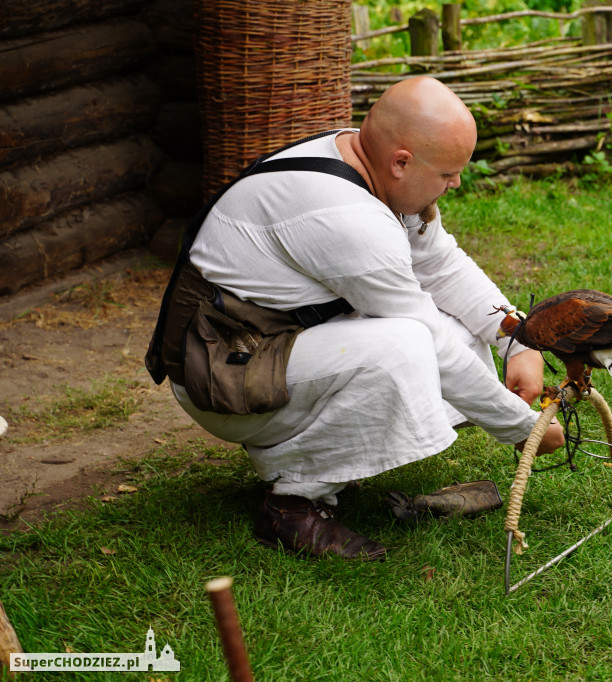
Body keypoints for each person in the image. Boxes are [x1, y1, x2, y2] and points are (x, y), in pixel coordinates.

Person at [167, 76, 564, 560]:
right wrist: (522, 429)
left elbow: (440, 264)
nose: (456, 183)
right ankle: (291, 505)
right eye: (447, 173)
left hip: (274, 345)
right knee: (408, 345)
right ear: (401, 162)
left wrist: (517, 342)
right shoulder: (344, 217)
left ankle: (323, 454)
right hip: (221, 374)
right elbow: (429, 343)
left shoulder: (360, 158)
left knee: (460, 335)